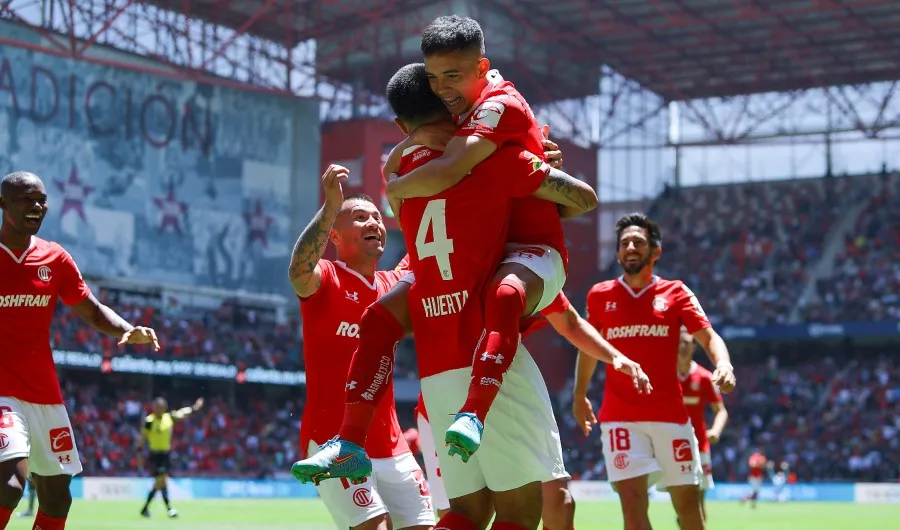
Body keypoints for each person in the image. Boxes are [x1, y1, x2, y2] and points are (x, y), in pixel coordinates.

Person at [294, 63, 641, 530]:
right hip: (488, 365)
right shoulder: (493, 160)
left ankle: (348, 440)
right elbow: (583, 200)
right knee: (522, 512)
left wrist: (401, 158)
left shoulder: (403, 174)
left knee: (466, 514)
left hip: (436, 374)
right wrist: (540, 165)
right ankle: (453, 419)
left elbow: (395, 184)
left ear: (402, 124)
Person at [383, 16, 589, 461]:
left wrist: (393, 183)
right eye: (433, 78)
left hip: (532, 254)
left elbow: (583, 200)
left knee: (505, 294)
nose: (441, 88)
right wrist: (402, 154)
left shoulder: (497, 107)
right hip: (485, 254)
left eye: (452, 75)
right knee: (380, 315)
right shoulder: (459, 115)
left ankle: (474, 413)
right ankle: (349, 438)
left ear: (482, 67)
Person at [0, 170, 160, 530]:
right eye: (26, 199)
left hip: (44, 394)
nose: (36, 206)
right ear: (3, 203)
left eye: (41, 200)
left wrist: (128, 329)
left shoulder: (54, 258)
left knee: (58, 497)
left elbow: (91, 309)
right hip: (2, 393)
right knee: (9, 486)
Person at [287, 166, 434, 530]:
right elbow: (299, 271)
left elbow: (428, 242)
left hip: (393, 445)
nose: (374, 223)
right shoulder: (327, 276)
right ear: (334, 235)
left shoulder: (393, 285)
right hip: (332, 438)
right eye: (360, 217)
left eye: (376, 218)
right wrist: (330, 207)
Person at [573, 212, 737, 530]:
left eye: (638, 241)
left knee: (689, 509)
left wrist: (724, 364)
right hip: (620, 418)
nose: (630, 247)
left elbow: (708, 336)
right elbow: (588, 347)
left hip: (671, 417)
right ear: (617, 254)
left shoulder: (677, 292)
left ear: (655, 251)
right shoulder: (599, 294)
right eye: (624, 243)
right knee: (633, 510)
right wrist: (579, 394)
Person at [677, 329, 728, 522]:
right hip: (670, 444)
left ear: (694, 347)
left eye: (687, 342)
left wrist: (715, 430)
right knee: (681, 502)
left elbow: (721, 411)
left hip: (699, 446)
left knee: (698, 502)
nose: (683, 346)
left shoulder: (705, 377)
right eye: (679, 342)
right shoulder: (665, 375)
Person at [137, 397, 204, 518]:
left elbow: (182, 413)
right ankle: (168, 508)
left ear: (164, 408)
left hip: (165, 455)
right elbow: (142, 439)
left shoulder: (168, 418)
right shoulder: (149, 421)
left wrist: (194, 408)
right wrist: (140, 456)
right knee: (161, 480)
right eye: (156, 407)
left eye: (160, 407)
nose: (157, 409)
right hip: (155, 455)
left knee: (161, 482)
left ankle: (146, 509)